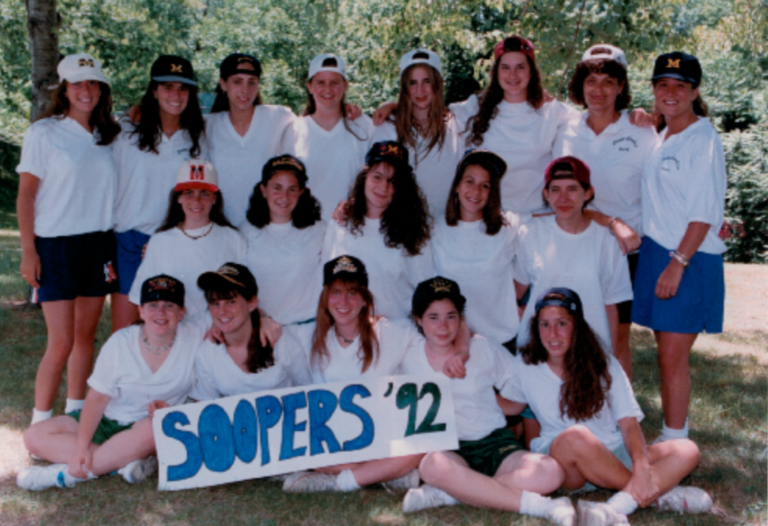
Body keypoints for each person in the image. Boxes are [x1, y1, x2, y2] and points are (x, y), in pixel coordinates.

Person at [505, 288, 711, 525]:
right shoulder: (525, 365)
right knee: (575, 436)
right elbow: (511, 406)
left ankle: (614, 507)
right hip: (566, 465)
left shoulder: (604, 363)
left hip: (612, 453)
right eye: (544, 324)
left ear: (577, 325)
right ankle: (658, 495)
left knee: (687, 449)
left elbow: (629, 424)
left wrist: (642, 465)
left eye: (561, 323)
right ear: (535, 327)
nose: (552, 334)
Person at [399, 277, 574, 526]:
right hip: (450, 448)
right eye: (433, 317)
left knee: (551, 472)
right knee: (430, 466)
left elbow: (518, 391)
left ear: (461, 318)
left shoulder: (482, 348)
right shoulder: (410, 358)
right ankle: (542, 506)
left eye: (451, 316)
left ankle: (453, 493)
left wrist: (495, 403)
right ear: (418, 319)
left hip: (493, 443)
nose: (443, 326)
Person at [17, 275, 201, 490]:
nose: (160, 312)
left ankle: (65, 475)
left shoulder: (195, 336)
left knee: (157, 426)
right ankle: (120, 463)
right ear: (140, 311)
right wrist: (82, 447)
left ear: (182, 313)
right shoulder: (120, 343)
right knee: (33, 437)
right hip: (108, 418)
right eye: (152, 305)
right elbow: (97, 398)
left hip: (145, 425)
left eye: (169, 305)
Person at [16, 53, 121, 425]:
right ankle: (40, 423)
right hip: (56, 244)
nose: (86, 90)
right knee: (60, 341)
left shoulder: (109, 133)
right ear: (63, 90)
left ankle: (76, 415)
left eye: (92, 82)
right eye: (77, 83)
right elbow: (26, 195)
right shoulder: (43, 133)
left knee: (85, 337)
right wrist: (29, 251)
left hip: (97, 243)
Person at [631, 52, 727, 443]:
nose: (670, 93)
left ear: (695, 92)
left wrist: (678, 263)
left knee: (673, 358)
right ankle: (673, 435)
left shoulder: (702, 139)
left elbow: (703, 213)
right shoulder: (665, 134)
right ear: (653, 89)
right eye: (662, 85)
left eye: (680, 86)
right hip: (661, 253)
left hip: (687, 257)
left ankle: (675, 439)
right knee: (664, 355)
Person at [553, 44, 657, 378]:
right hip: (575, 245)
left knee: (616, 339)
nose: (598, 90)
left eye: (608, 81)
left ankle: (619, 417)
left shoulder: (642, 131)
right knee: (571, 333)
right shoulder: (566, 128)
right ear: (580, 85)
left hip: (624, 252)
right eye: (591, 80)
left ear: (622, 86)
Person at [281, 255, 424, 493]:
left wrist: (460, 349)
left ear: (365, 299)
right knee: (297, 444)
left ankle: (338, 483)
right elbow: (269, 333)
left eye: (352, 292)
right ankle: (383, 476)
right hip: (333, 444)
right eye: (335, 292)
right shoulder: (309, 336)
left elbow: (441, 329)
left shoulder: (392, 331)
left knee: (423, 444)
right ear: (325, 298)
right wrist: (265, 320)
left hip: (381, 439)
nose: (343, 301)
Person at [111, 55, 207, 332]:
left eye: (183, 88)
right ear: (153, 90)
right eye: (167, 87)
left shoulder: (197, 139)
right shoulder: (126, 131)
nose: (175, 95)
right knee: (124, 332)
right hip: (129, 241)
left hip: (173, 241)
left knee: (173, 330)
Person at [515, 156, 632, 356]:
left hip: (590, 351)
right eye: (555, 190)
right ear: (546, 194)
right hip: (540, 352)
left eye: (572, 189)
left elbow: (611, 306)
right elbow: (515, 292)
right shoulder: (530, 233)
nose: (563, 198)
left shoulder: (608, 241)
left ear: (588, 193)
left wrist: (611, 359)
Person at [452, 36, 579, 219]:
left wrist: (631, 115)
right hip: (492, 219)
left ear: (531, 72)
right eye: (505, 68)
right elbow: (432, 112)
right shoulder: (476, 107)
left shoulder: (550, 110)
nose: (513, 75)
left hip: (538, 217)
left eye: (520, 67)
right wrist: (395, 106)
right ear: (496, 73)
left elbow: (593, 120)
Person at [322, 141, 435, 320]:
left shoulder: (414, 233)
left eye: (393, 181)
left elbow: (427, 292)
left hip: (398, 334)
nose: (384, 187)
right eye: (377, 177)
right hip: (350, 334)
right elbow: (326, 285)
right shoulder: (340, 223)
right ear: (364, 177)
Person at [129, 159, 246, 318]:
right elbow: (140, 298)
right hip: (174, 329)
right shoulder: (160, 241)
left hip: (218, 328)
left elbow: (245, 293)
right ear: (178, 198)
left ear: (214, 198)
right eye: (189, 193)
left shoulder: (233, 239)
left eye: (204, 194)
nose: (196, 201)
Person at [432, 149, 522, 350]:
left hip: (501, 340)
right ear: (457, 185)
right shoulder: (435, 230)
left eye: (485, 186)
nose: (475, 191)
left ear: (492, 193)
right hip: (451, 342)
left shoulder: (509, 227)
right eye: (469, 181)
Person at [191, 263, 312, 400]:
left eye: (231, 302)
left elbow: (308, 389)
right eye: (215, 303)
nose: (222, 311)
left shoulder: (279, 340)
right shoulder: (207, 353)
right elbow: (206, 405)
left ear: (252, 304)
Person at [371, 49, 464, 217]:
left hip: (445, 229)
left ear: (438, 83)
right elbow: (373, 181)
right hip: (401, 228)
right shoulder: (387, 128)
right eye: (413, 83)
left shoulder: (456, 126)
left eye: (426, 81)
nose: (420, 90)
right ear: (405, 87)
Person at [280, 53, 373, 221]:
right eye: (320, 82)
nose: (328, 89)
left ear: (345, 86)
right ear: (309, 86)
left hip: (352, 228)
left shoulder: (362, 126)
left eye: (335, 83)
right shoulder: (295, 129)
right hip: (306, 229)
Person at [206, 53, 295, 226]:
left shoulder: (278, 116)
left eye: (252, 82)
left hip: (264, 227)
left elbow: (313, 123)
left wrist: (345, 109)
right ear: (223, 84)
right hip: (221, 227)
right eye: (237, 81)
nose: (245, 90)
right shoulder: (208, 125)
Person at [241, 155, 325, 325]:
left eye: (292, 189)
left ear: (301, 192)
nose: (284, 196)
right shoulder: (244, 232)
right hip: (260, 328)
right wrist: (261, 318)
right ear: (263, 190)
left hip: (306, 328)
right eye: (277, 188)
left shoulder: (320, 230)